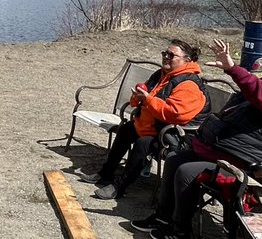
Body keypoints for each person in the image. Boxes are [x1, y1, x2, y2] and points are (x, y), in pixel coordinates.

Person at [131, 37, 262, 239]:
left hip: (254, 171)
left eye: (260, 80)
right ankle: (163, 217)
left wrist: (234, 70)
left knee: (187, 171)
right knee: (174, 160)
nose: (253, 87)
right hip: (227, 157)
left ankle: (181, 232)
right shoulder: (257, 99)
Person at [77, 40, 208, 200]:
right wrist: (137, 98)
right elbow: (145, 98)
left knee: (143, 143)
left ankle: (120, 187)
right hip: (153, 126)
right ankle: (105, 173)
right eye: (164, 53)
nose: (166, 57)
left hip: (176, 136)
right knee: (126, 130)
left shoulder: (188, 84)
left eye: (171, 55)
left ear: (187, 60)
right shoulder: (161, 75)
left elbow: (176, 114)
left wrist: (147, 100)